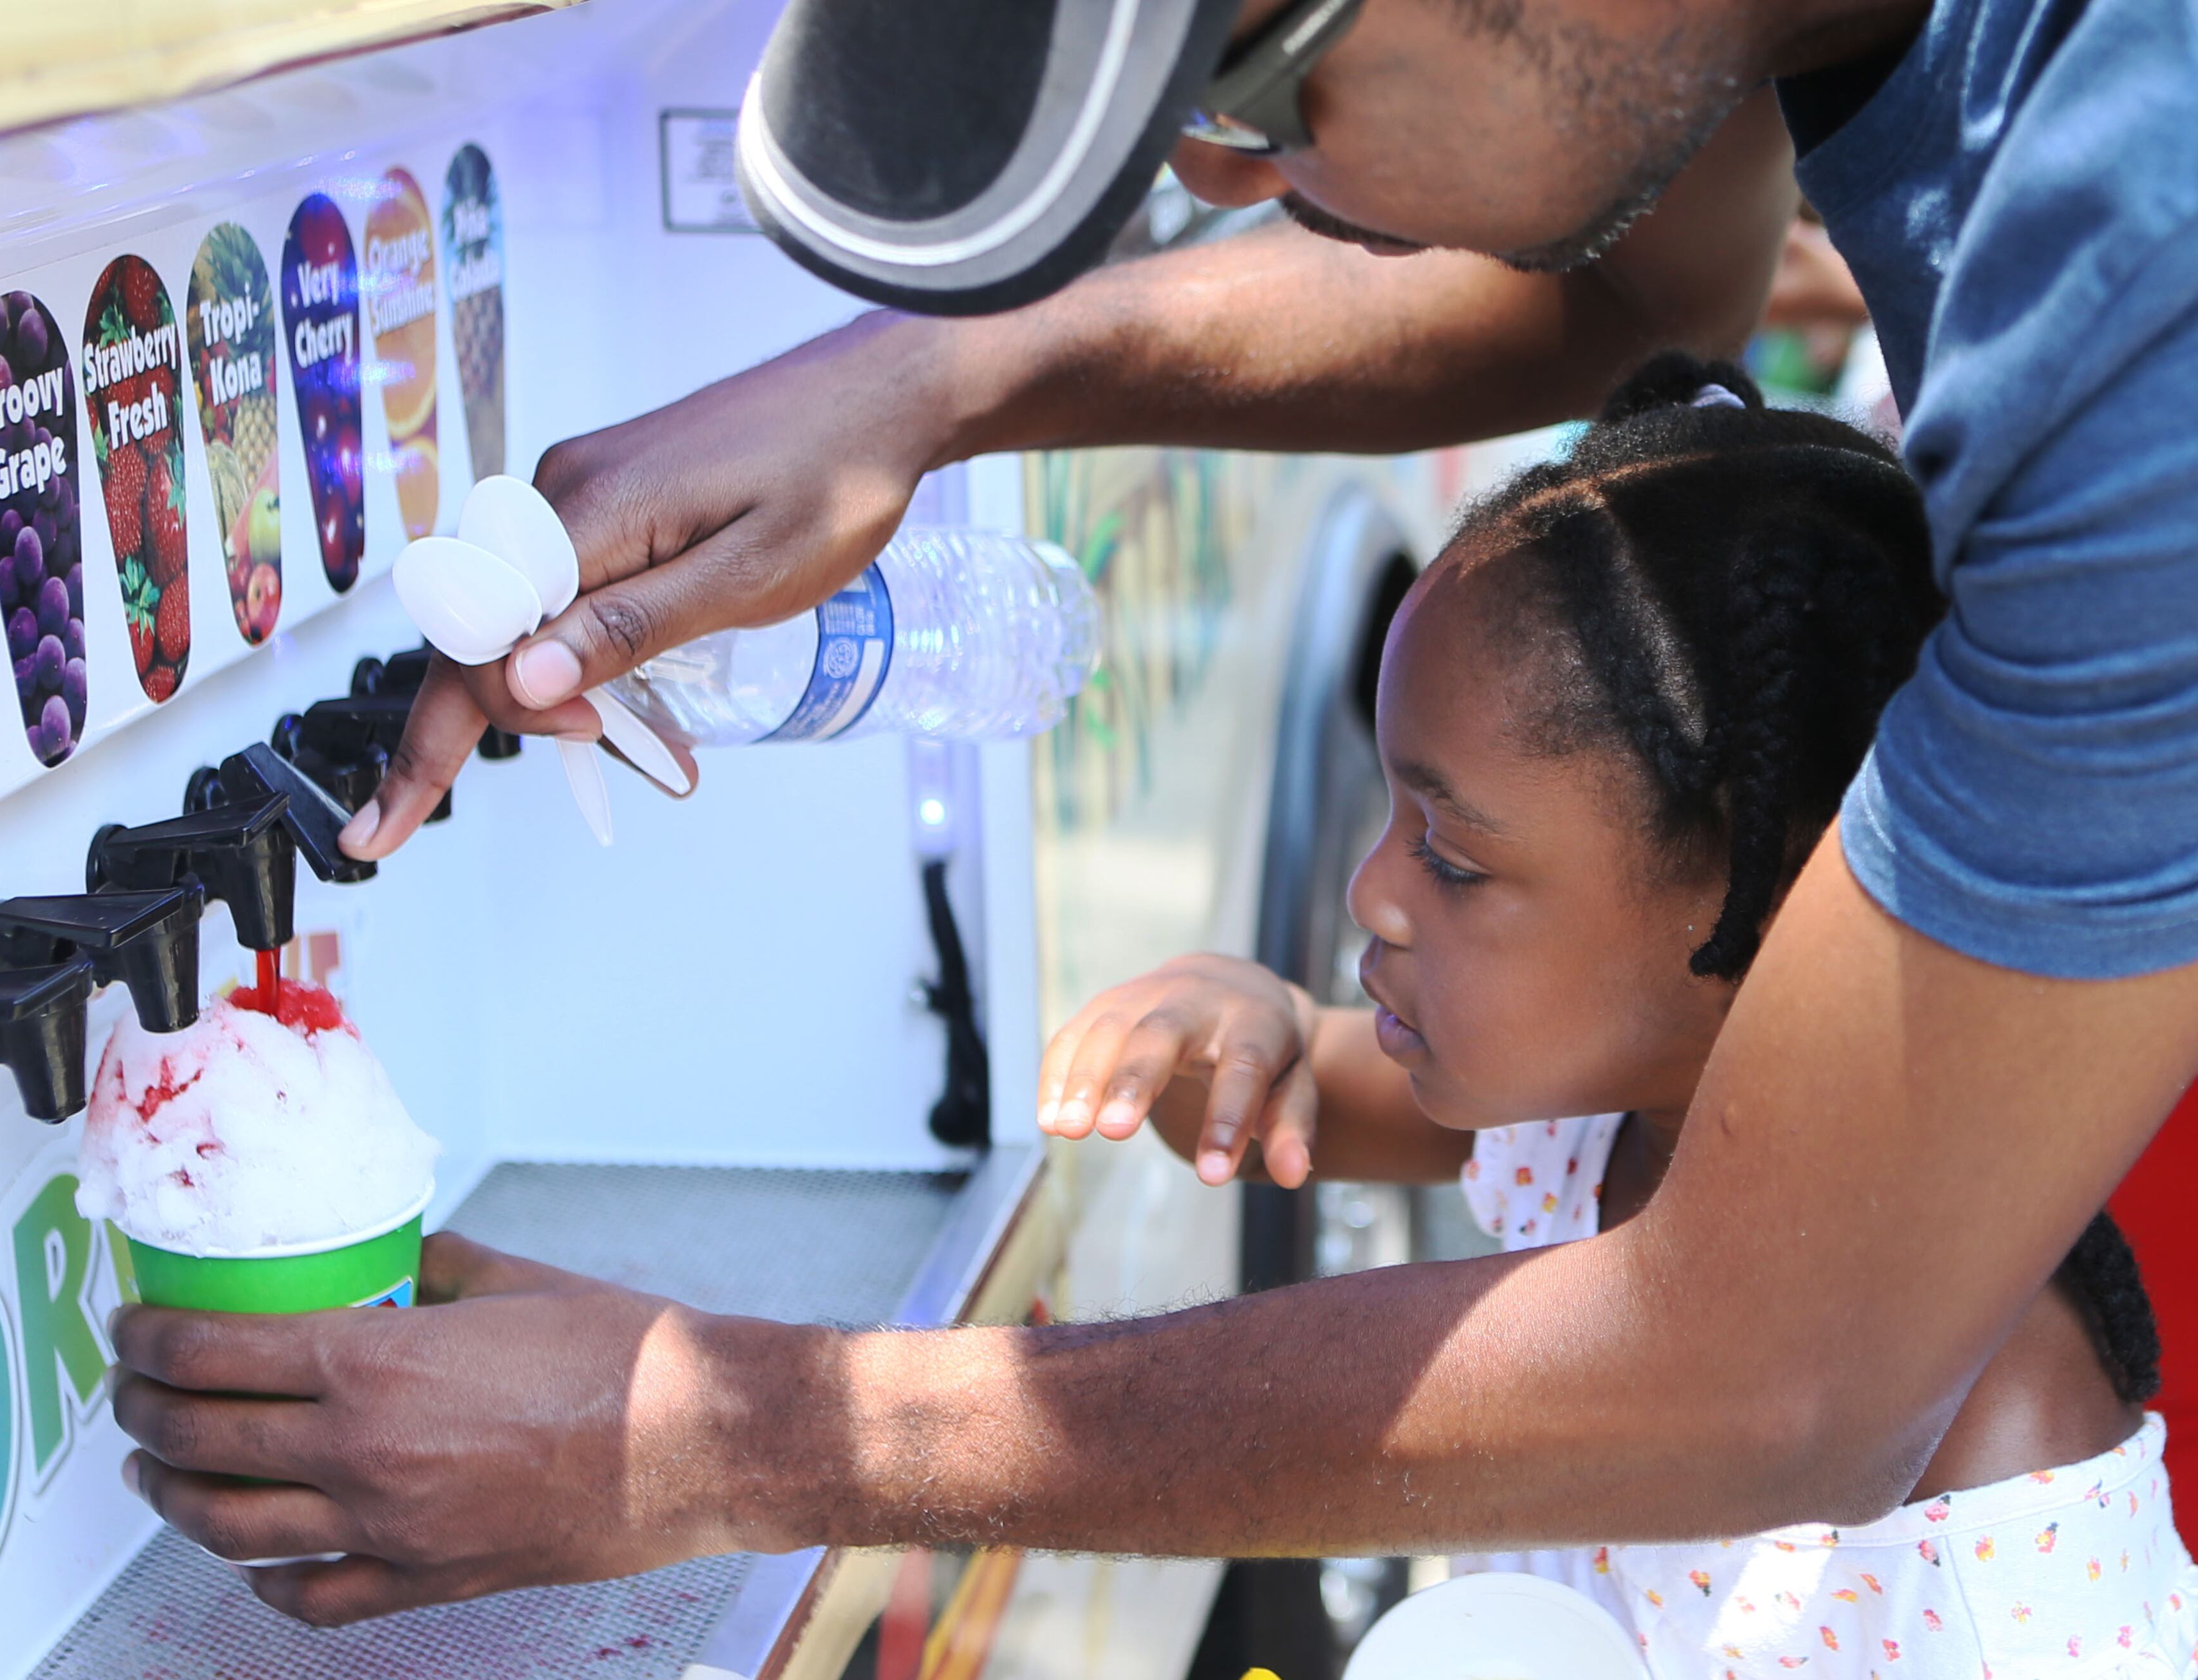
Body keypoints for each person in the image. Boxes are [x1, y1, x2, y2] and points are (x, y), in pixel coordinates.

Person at [108, 0, 2198, 1630]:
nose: (1222, 166)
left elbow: (1778, 1376)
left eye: (1260, 72)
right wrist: (923, 387)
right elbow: (1653, 267)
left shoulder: (2154, 251)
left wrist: (714, 1431)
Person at [1042, 352, 2187, 1673]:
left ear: (1766, 900)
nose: (1372, 889)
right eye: (1391, 818)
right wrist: (1255, 1030)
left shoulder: (1991, 1533)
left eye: (1454, 857)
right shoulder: (1609, 1120)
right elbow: (1309, 1096)